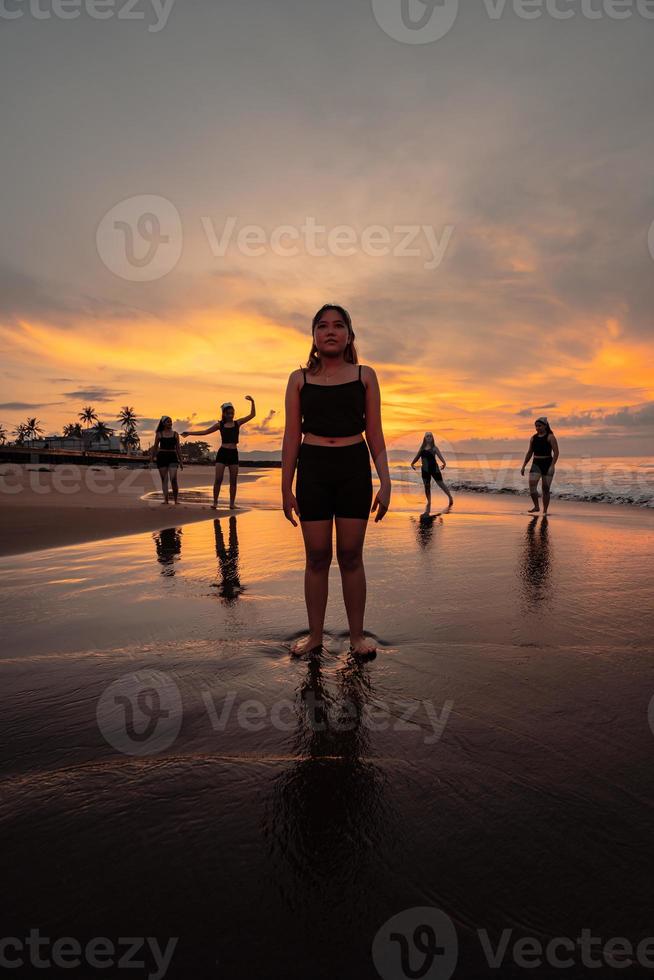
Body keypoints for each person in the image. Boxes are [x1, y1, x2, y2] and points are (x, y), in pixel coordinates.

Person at [281, 303, 391, 658]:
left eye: (338, 326)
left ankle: (357, 636)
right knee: (316, 556)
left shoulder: (365, 375)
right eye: (323, 326)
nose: (330, 331)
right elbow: (290, 436)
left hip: (353, 468)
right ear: (313, 337)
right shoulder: (299, 379)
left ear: (349, 336)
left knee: (350, 555)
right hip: (312, 468)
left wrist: (385, 482)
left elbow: (374, 433)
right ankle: (315, 636)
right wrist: (285, 486)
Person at [183, 397, 256, 509]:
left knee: (233, 480)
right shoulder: (220, 425)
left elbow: (252, 415)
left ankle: (232, 504)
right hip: (222, 453)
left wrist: (252, 402)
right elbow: (205, 432)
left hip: (233, 453)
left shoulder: (238, 423)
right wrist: (190, 433)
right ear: (224, 413)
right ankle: (215, 503)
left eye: (232, 413)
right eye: (228, 413)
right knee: (218, 479)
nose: (231, 415)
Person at [520, 417, 559, 515]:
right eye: (536, 426)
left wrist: (552, 465)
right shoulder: (533, 438)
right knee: (532, 487)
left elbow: (556, 452)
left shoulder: (550, 437)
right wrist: (524, 465)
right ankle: (536, 506)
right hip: (536, 463)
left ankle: (545, 511)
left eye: (539, 426)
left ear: (545, 426)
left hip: (547, 463)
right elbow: (529, 452)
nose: (537, 428)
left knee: (545, 488)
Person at [411, 431, 454, 514]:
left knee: (441, 484)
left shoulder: (434, 448)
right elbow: (417, 456)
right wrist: (412, 463)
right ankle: (429, 502)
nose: (429, 437)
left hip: (434, 469)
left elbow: (440, 456)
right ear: (425, 438)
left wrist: (444, 463)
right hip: (425, 470)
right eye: (427, 436)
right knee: (427, 486)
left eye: (430, 436)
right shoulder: (422, 448)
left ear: (432, 438)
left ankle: (450, 497)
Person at [151, 416, 183, 505]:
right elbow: (155, 447)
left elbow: (178, 448)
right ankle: (166, 500)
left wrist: (181, 461)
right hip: (162, 457)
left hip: (173, 457)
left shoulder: (175, 434)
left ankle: (176, 500)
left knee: (173, 479)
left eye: (171, 421)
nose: (170, 423)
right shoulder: (159, 434)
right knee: (164, 479)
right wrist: (152, 459)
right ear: (163, 423)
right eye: (168, 422)